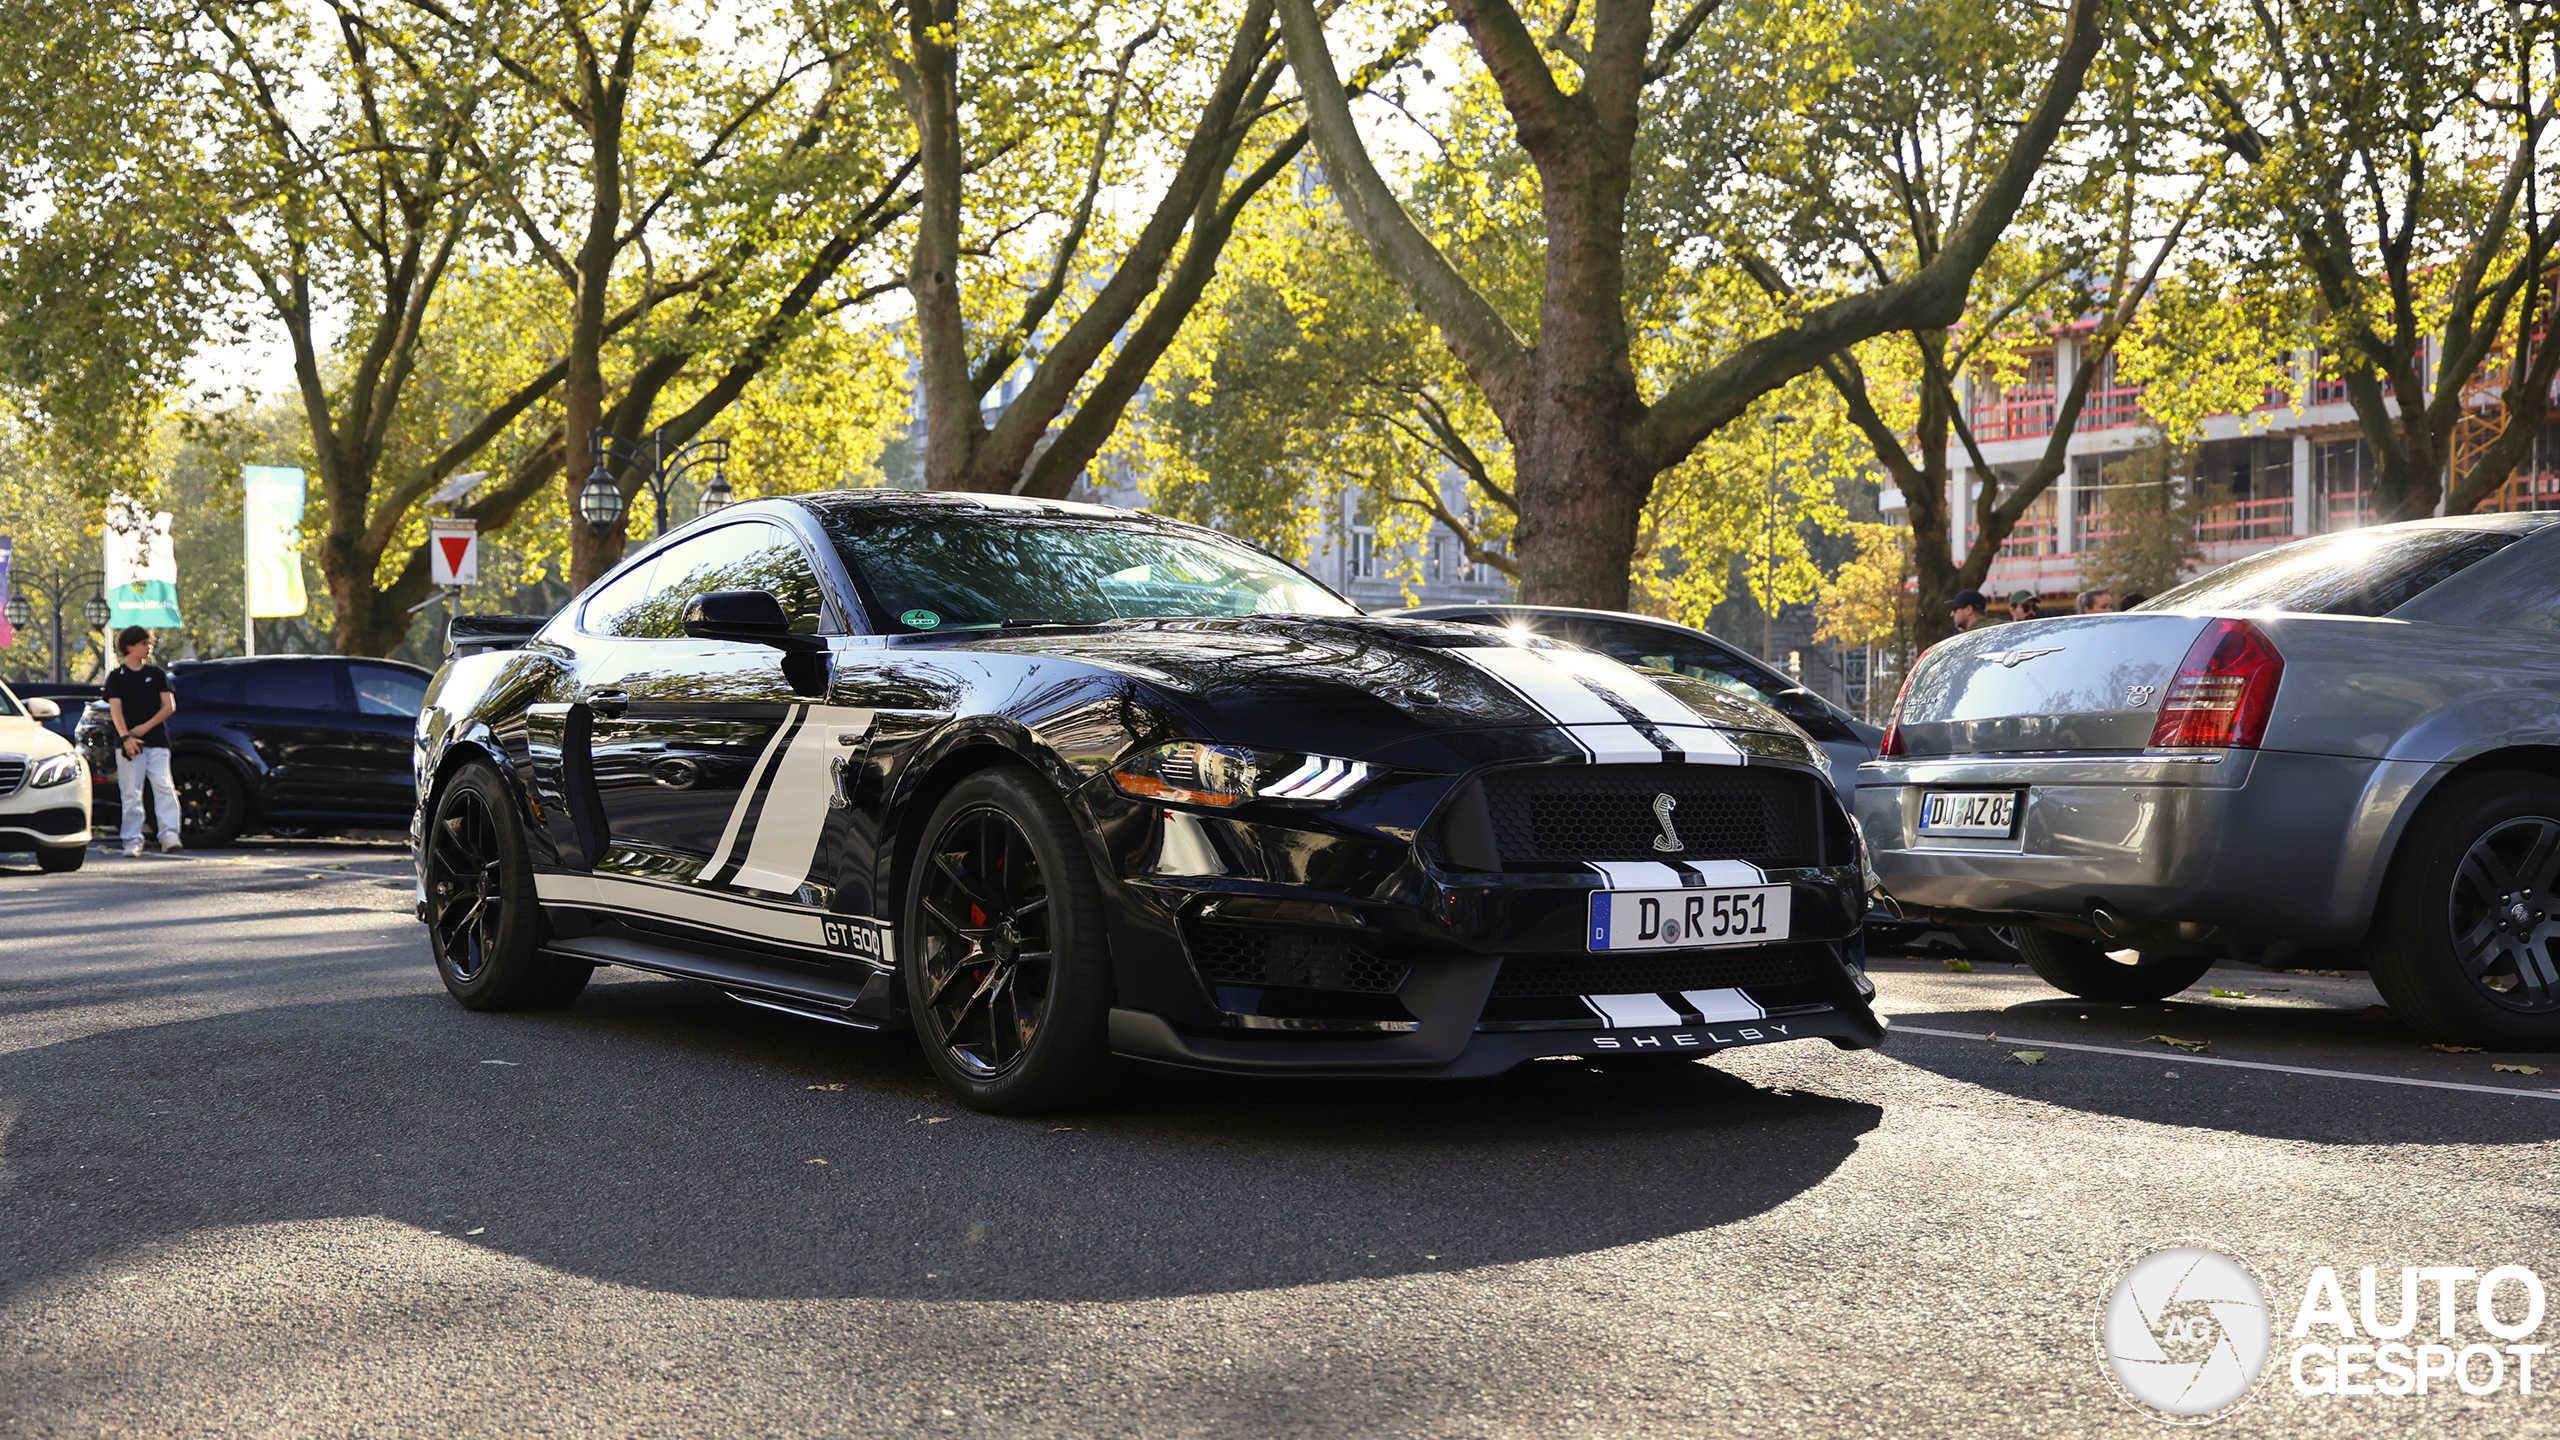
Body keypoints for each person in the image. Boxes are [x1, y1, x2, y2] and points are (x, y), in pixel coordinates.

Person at [102, 625, 181, 857]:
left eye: (150, 643)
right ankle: (132, 839)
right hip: (129, 745)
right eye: (144, 644)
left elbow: (169, 706)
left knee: (164, 786)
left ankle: (169, 834)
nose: (148, 648)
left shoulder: (156, 675)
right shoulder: (117, 677)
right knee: (131, 791)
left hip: (156, 741)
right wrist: (126, 737)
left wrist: (145, 728)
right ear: (129, 647)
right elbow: (115, 709)